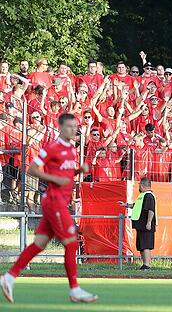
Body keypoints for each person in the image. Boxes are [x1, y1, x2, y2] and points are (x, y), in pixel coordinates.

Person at [1, 113, 98, 304]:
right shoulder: (53, 147)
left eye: (75, 126)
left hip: (59, 201)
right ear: (60, 128)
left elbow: (66, 173)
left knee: (39, 244)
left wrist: (79, 171)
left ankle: (9, 277)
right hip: (54, 202)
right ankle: (75, 289)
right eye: (69, 126)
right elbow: (32, 169)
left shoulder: (70, 149)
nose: (73, 129)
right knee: (71, 243)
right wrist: (55, 179)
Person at [119, 177, 156, 270]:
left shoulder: (149, 196)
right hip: (141, 225)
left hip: (146, 225)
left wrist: (149, 222)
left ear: (143, 185)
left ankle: (147, 265)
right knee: (142, 245)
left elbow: (151, 210)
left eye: (139, 185)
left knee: (146, 245)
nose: (139, 187)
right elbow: (136, 205)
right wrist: (126, 205)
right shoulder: (143, 195)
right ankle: (144, 264)